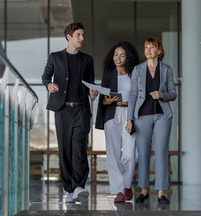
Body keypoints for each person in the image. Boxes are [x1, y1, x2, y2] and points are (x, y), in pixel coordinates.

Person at [41, 22, 98, 203]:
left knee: (78, 147)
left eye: (82, 35)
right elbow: (45, 76)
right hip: (62, 110)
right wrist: (49, 84)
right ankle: (69, 188)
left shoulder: (87, 60)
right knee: (65, 148)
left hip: (81, 109)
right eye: (79, 35)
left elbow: (90, 84)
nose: (82, 38)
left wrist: (93, 92)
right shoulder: (55, 57)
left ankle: (79, 185)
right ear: (69, 37)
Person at [125, 37, 177, 205]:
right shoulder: (137, 70)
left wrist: (162, 95)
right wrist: (129, 118)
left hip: (163, 114)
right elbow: (132, 95)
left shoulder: (167, 70)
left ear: (159, 51)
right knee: (144, 152)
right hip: (142, 115)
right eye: (146, 47)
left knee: (161, 151)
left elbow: (173, 93)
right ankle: (144, 190)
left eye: (152, 47)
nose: (148, 50)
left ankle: (162, 192)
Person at [95, 41, 139, 203]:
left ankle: (127, 185)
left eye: (122, 55)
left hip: (129, 115)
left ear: (128, 57)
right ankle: (119, 190)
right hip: (111, 115)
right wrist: (106, 101)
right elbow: (103, 97)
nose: (118, 58)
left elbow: (140, 97)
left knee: (129, 155)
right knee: (113, 155)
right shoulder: (108, 73)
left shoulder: (135, 73)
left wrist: (132, 118)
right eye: (115, 54)